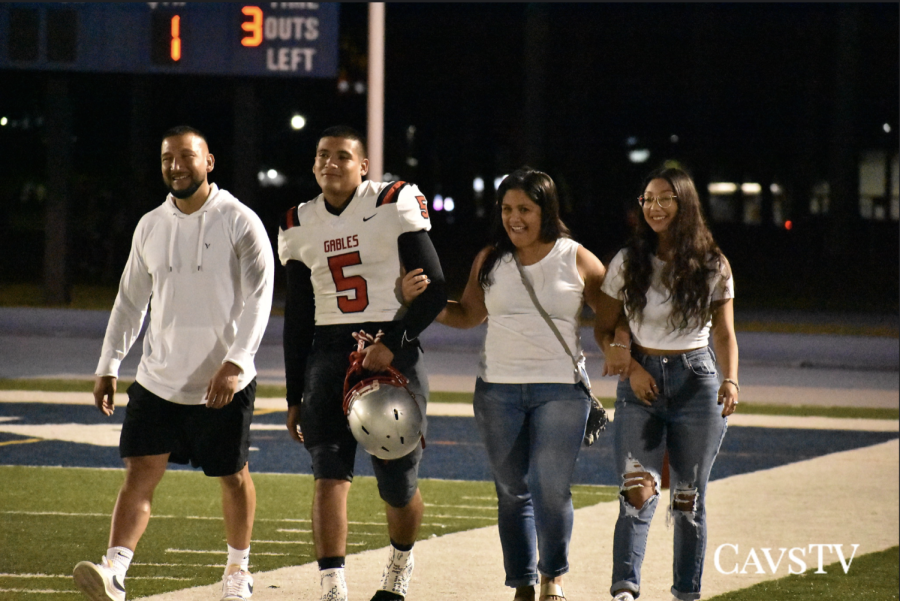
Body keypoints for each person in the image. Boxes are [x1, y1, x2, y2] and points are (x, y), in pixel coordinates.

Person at [73, 125, 275, 601]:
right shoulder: (150, 225)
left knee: (232, 475)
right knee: (138, 475)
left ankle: (237, 571)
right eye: (167, 158)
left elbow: (260, 299)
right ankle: (115, 571)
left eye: (187, 156)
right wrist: (109, 364)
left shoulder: (240, 220)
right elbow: (129, 302)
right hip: (157, 378)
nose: (176, 166)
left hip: (221, 381)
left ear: (209, 162)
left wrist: (236, 362)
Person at [412, 167, 607, 601]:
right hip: (497, 390)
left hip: (560, 389)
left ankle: (552, 575)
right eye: (506, 209)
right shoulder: (490, 259)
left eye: (525, 209)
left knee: (549, 488)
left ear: (546, 210)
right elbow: (466, 314)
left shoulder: (575, 257)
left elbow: (611, 312)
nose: (514, 218)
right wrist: (421, 302)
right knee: (512, 491)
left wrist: (618, 344)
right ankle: (521, 582)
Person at [278, 125, 446, 601]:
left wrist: (393, 342)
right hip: (329, 355)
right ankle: (333, 588)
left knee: (397, 481)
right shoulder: (297, 220)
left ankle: (399, 563)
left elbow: (435, 289)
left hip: (391, 351)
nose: (330, 163)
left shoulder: (392, 200)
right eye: (322, 156)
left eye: (342, 157)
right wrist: (295, 394)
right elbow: (298, 318)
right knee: (327, 473)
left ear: (364, 166)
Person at [594, 167, 739, 601]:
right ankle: (624, 590)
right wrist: (631, 367)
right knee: (636, 492)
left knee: (688, 501)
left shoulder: (713, 261)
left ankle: (685, 593)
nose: (654, 207)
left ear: (685, 203)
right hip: (642, 385)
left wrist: (731, 381)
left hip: (697, 383)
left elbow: (725, 332)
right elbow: (602, 329)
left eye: (664, 199)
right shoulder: (627, 260)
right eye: (647, 199)